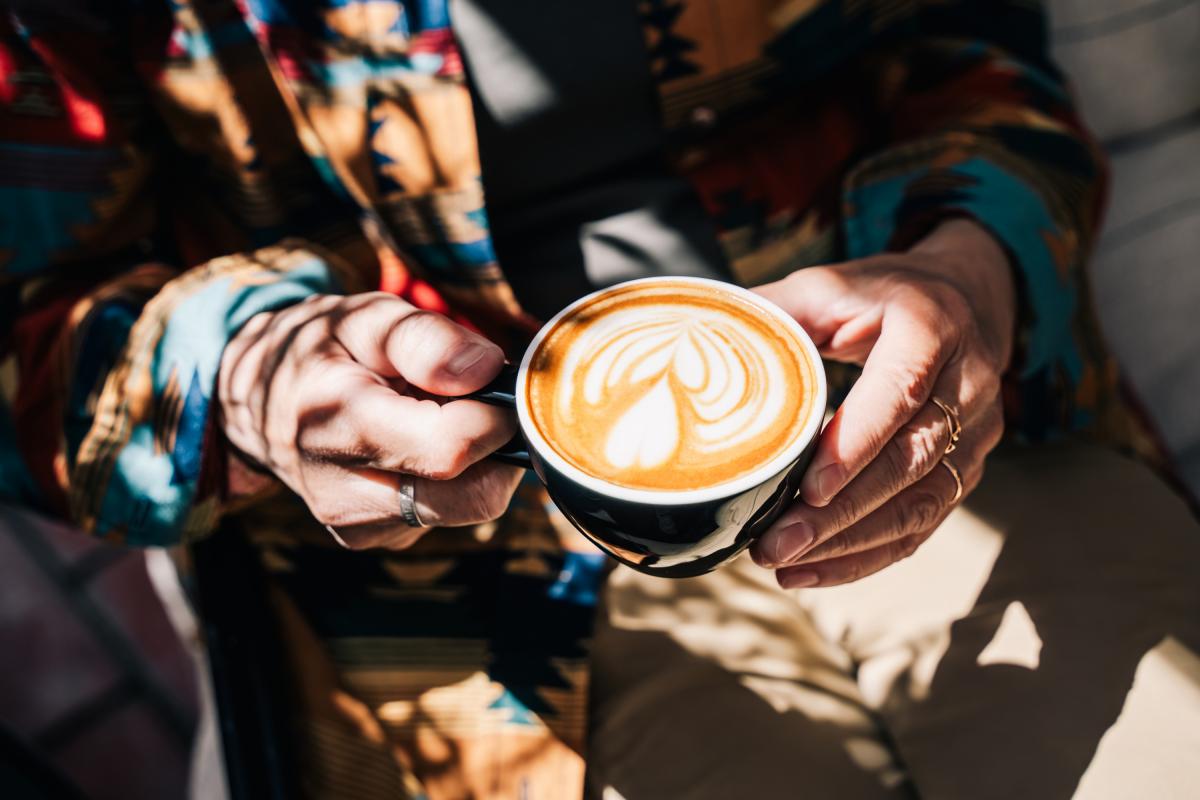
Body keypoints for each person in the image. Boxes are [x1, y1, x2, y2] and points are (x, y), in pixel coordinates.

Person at [2, 0, 1198, 797]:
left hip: (904, 418)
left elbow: (968, 50)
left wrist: (974, 263)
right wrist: (243, 380)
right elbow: (33, 325)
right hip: (447, 561)